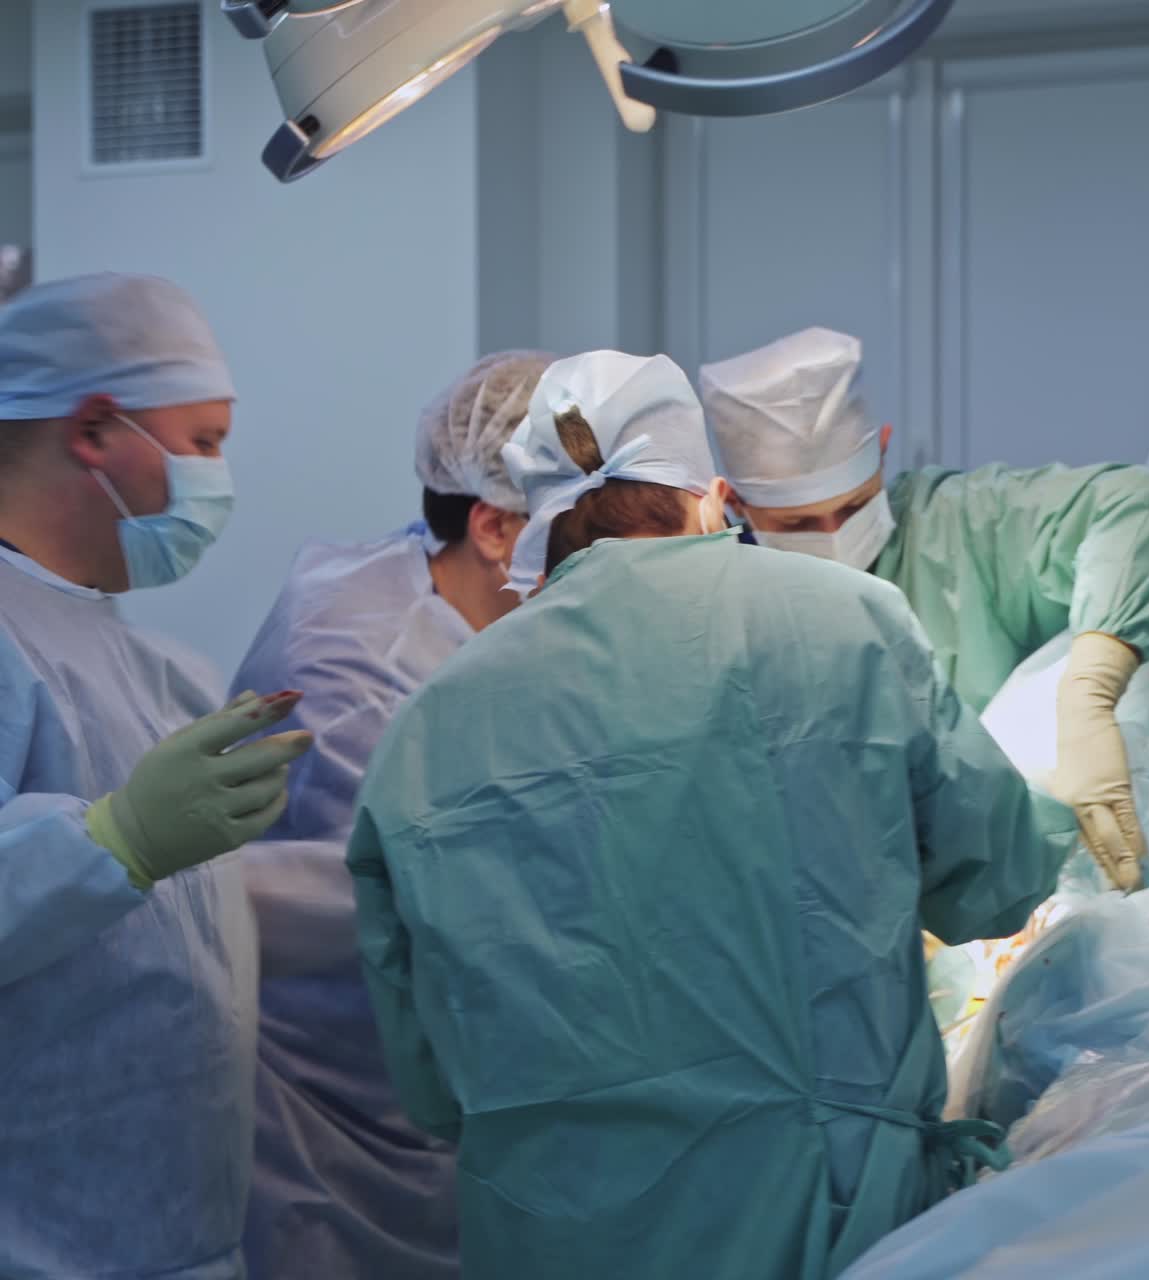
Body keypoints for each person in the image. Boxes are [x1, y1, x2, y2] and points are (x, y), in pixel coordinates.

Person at [347, 350, 1078, 1279]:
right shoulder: (846, 620)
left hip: (550, 1229)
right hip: (819, 1212)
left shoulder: (430, 721)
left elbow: (430, 1085)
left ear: (537, 523)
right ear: (714, 497)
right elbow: (996, 887)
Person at [0, 272, 312, 1279]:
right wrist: (117, 839)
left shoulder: (142, 659)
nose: (217, 475)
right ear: (95, 428)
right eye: (204, 441)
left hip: (165, 1228)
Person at [231, 350, 555, 1279]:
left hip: (436, 1105)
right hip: (331, 1119)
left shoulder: (471, 607)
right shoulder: (362, 669)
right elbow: (405, 917)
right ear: (495, 526)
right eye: (591, 525)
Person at [699, 327, 1149, 892]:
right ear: (732, 503)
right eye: (798, 524)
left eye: (854, 506)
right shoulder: (714, 608)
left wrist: (1089, 688)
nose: (835, 535)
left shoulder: (961, 529)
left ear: (883, 449)